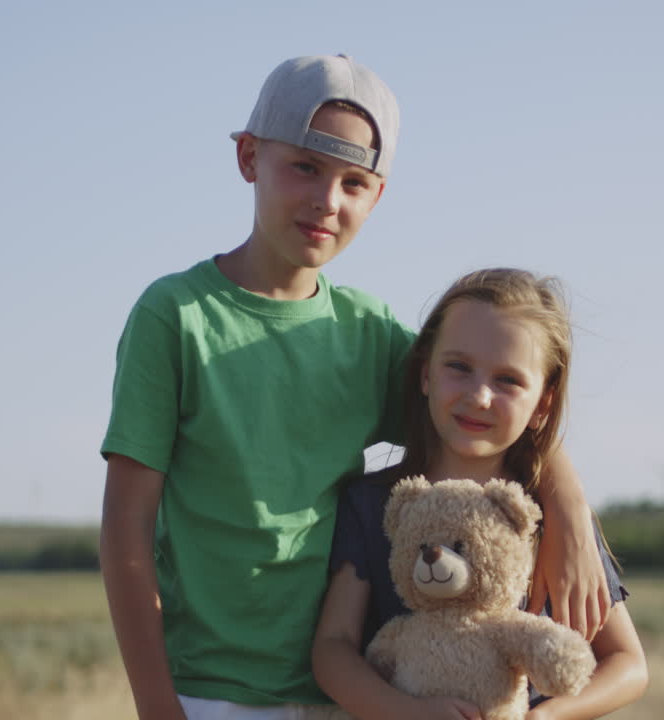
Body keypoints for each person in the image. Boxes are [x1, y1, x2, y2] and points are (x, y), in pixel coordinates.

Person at [99, 56, 611, 720]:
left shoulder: (370, 333)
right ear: (249, 157)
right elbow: (125, 528)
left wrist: (566, 507)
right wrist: (156, 706)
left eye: (354, 182)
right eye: (305, 167)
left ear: (379, 196)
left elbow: (483, 412)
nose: (326, 201)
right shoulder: (176, 317)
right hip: (208, 690)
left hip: (345, 693)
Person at [312, 268, 649, 720]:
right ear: (425, 372)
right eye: (459, 367)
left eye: (508, 380)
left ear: (542, 404)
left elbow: (629, 664)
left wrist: (547, 716)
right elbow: (333, 650)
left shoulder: (551, 516)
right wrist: (406, 711)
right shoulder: (374, 502)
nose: (480, 396)